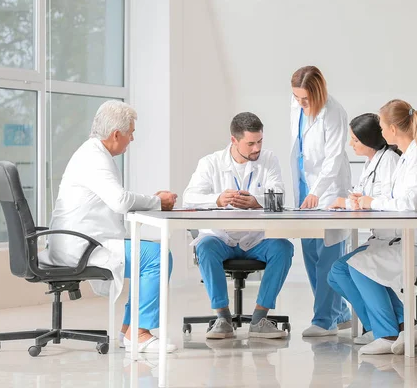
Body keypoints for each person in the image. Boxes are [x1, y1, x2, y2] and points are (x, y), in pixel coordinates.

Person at [41, 100, 179, 353]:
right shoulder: (94, 157)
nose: (132, 139)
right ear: (116, 134)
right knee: (157, 256)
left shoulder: (92, 152)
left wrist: (153, 201)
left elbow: (118, 198)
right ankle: (139, 332)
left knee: (149, 253)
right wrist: (158, 201)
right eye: (131, 133)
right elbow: (119, 200)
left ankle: (130, 331)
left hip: (78, 240)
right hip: (81, 245)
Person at [328, 99, 417, 355]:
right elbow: (396, 199)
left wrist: (371, 201)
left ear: (393, 129)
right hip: (411, 238)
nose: (380, 130)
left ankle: (387, 334)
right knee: (352, 267)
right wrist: (365, 200)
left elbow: (410, 204)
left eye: (382, 124)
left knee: (360, 266)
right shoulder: (408, 159)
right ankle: (401, 326)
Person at [183, 112, 293, 339]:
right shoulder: (210, 163)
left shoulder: (269, 160)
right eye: (250, 143)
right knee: (205, 247)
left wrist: (256, 201)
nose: (257, 148)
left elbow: (279, 196)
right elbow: (189, 198)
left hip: (255, 239)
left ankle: (260, 318)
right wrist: (217, 199)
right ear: (234, 140)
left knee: (284, 248)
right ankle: (222, 318)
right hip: (221, 238)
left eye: (260, 141)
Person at [289, 65, 352, 337]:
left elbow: (334, 157)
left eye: (305, 99)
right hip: (305, 188)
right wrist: (307, 189)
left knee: (328, 254)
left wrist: (317, 190)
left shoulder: (334, 112)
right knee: (310, 253)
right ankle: (341, 313)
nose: (301, 104)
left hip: (328, 190)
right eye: (297, 98)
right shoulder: (296, 106)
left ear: (318, 93)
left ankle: (324, 321)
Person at [328, 113, 400, 210]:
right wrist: (353, 200)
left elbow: (391, 200)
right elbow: (364, 197)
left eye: (355, 140)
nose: (350, 144)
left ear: (369, 141)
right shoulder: (370, 161)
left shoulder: (389, 159)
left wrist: (346, 203)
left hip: (387, 223)